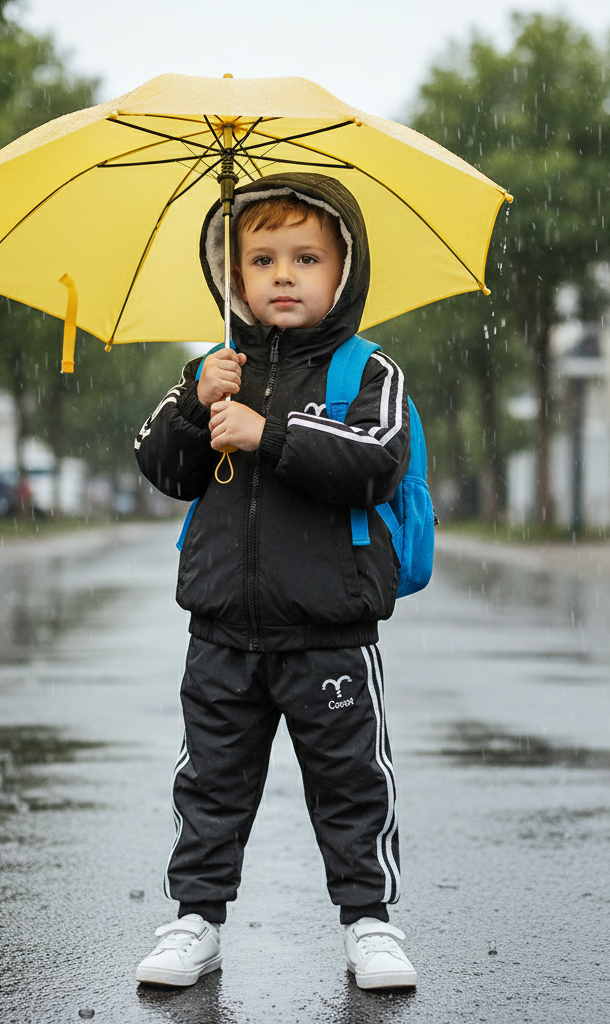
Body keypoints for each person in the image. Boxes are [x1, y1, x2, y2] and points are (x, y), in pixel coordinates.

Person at [133, 172, 416, 991]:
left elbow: (377, 463)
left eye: (305, 258)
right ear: (234, 276)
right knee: (210, 783)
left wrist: (271, 432)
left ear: (344, 272)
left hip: (329, 628)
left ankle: (371, 923)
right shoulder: (216, 365)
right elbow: (161, 466)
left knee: (350, 782)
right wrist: (194, 400)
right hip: (222, 626)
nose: (283, 275)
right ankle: (196, 919)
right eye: (261, 259)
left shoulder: (368, 371)